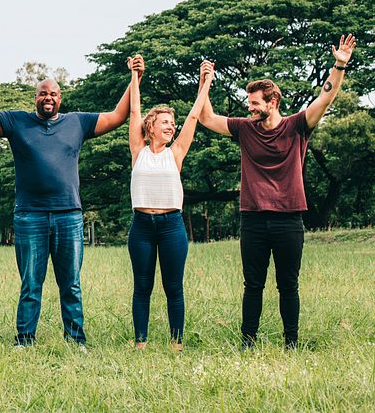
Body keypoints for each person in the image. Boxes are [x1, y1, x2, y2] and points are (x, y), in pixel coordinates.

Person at [198, 34, 357, 350]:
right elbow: (206, 117)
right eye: (249, 103)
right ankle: (248, 343)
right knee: (252, 286)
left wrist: (339, 64)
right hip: (254, 220)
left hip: (288, 220)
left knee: (288, 285)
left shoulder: (298, 125)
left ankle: (291, 343)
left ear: (272, 102)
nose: (250, 107)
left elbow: (326, 98)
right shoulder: (245, 128)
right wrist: (205, 82)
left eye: (255, 103)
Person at [0, 59, 135, 348]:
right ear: (35, 98)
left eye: (54, 94)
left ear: (61, 98)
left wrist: (135, 76)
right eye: (43, 93)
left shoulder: (77, 122)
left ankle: (75, 341)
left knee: (70, 283)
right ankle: (24, 340)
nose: (48, 98)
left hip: (68, 216)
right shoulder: (16, 121)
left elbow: (119, 115)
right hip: (29, 216)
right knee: (31, 284)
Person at [125, 55, 212, 351]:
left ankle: (176, 344)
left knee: (173, 287)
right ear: (151, 127)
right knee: (143, 286)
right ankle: (141, 342)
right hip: (142, 227)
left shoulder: (175, 154)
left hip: (171, 226)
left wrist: (205, 83)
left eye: (172, 123)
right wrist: (136, 76)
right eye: (165, 122)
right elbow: (134, 110)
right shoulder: (139, 151)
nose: (171, 126)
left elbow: (192, 117)